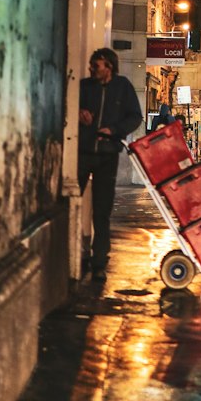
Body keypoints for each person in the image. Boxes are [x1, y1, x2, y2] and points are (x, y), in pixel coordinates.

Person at [78, 47, 143, 279]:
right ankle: (76, 252)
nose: (92, 70)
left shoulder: (123, 87)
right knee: (71, 200)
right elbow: (70, 105)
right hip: (83, 151)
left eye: (96, 66)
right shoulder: (85, 87)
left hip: (107, 154)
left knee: (102, 210)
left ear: (109, 66)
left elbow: (136, 116)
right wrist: (79, 112)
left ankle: (99, 262)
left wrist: (114, 130)